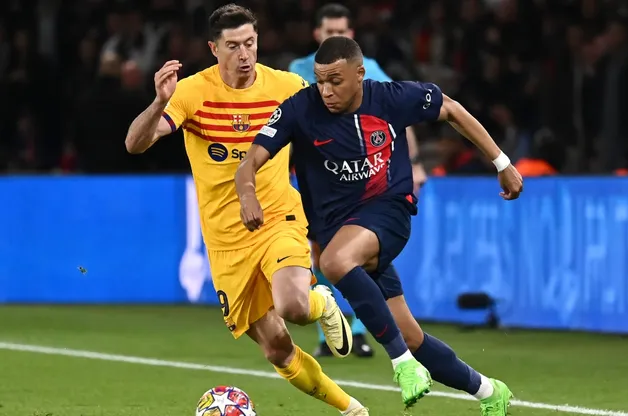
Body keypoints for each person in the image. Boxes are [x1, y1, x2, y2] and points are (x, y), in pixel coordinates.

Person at [237, 36, 521, 415]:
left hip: (388, 213)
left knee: (333, 262)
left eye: (335, 81)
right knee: (409, 333)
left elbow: (451, 109)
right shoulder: (300, 108)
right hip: (342, 232)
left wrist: (502, 163)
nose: (326, 91)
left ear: (359, 74)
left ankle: (402, 364)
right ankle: (488, 391)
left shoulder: (391, 98)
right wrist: (247, 194)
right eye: (320, 81)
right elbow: (249, 162)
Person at [124, 5, 368, 416]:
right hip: (225, 241)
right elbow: (135, 144)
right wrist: (159, 102)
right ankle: (353, 410)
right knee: (277, 349)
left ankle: (320, 303)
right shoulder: (192, 93)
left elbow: (334, 126)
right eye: (233, 46)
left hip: (277, 218)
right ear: (214, 48)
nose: (244, 54)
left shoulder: (287, 86)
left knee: (293, 305)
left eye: (250, 43)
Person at [289, 2, 426, 359]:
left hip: (360, 182)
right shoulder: (297, 71)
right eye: (329, 31)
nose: (334, 36)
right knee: (321, 255)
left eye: (341, 31)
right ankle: (329, 330)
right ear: (317, 34)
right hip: (316, 182)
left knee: (357, 257)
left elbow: (398, 114)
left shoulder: (371, 69)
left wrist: (415, 163)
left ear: (350, 34)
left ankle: (363, 331)